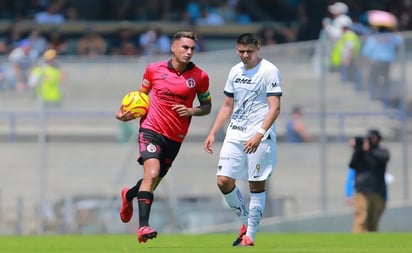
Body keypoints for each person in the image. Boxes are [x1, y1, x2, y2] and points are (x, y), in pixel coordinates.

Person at [115, 31, 212, 243]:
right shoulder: (153, 70)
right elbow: (138, 98)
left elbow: (207, 107)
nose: (189, 52)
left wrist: (191, 111)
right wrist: (121, 113)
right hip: (151, 130)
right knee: (152, 172)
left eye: (192, 49)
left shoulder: (200, 77)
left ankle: (129, 195)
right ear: (173, 48)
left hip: (175, 137)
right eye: (185, 48)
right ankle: (143, 228)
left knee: (153, 181)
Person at [204, 33, 282, 246]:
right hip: (235, 133)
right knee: (223, 181)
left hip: (259, 136)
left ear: (258, 48)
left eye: (249, 51)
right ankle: (245, 222)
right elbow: (227, 105)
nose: (245, 55)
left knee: (256, 184)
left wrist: (259, 134)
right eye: (241, 51)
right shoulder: (235, 71)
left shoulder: (269, 70)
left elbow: (275, 107)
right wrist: (213, 132)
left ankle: (250, 236)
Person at [348, 129, 390, 233]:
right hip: (362, 191)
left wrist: (368, 150)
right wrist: (358, 149)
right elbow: (352, 164)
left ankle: (371, 247)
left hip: (378, 191)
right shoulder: (360, 153)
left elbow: (383, 158)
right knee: (361, 219)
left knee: (373, 223)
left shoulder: (382, 151)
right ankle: (357, 246)